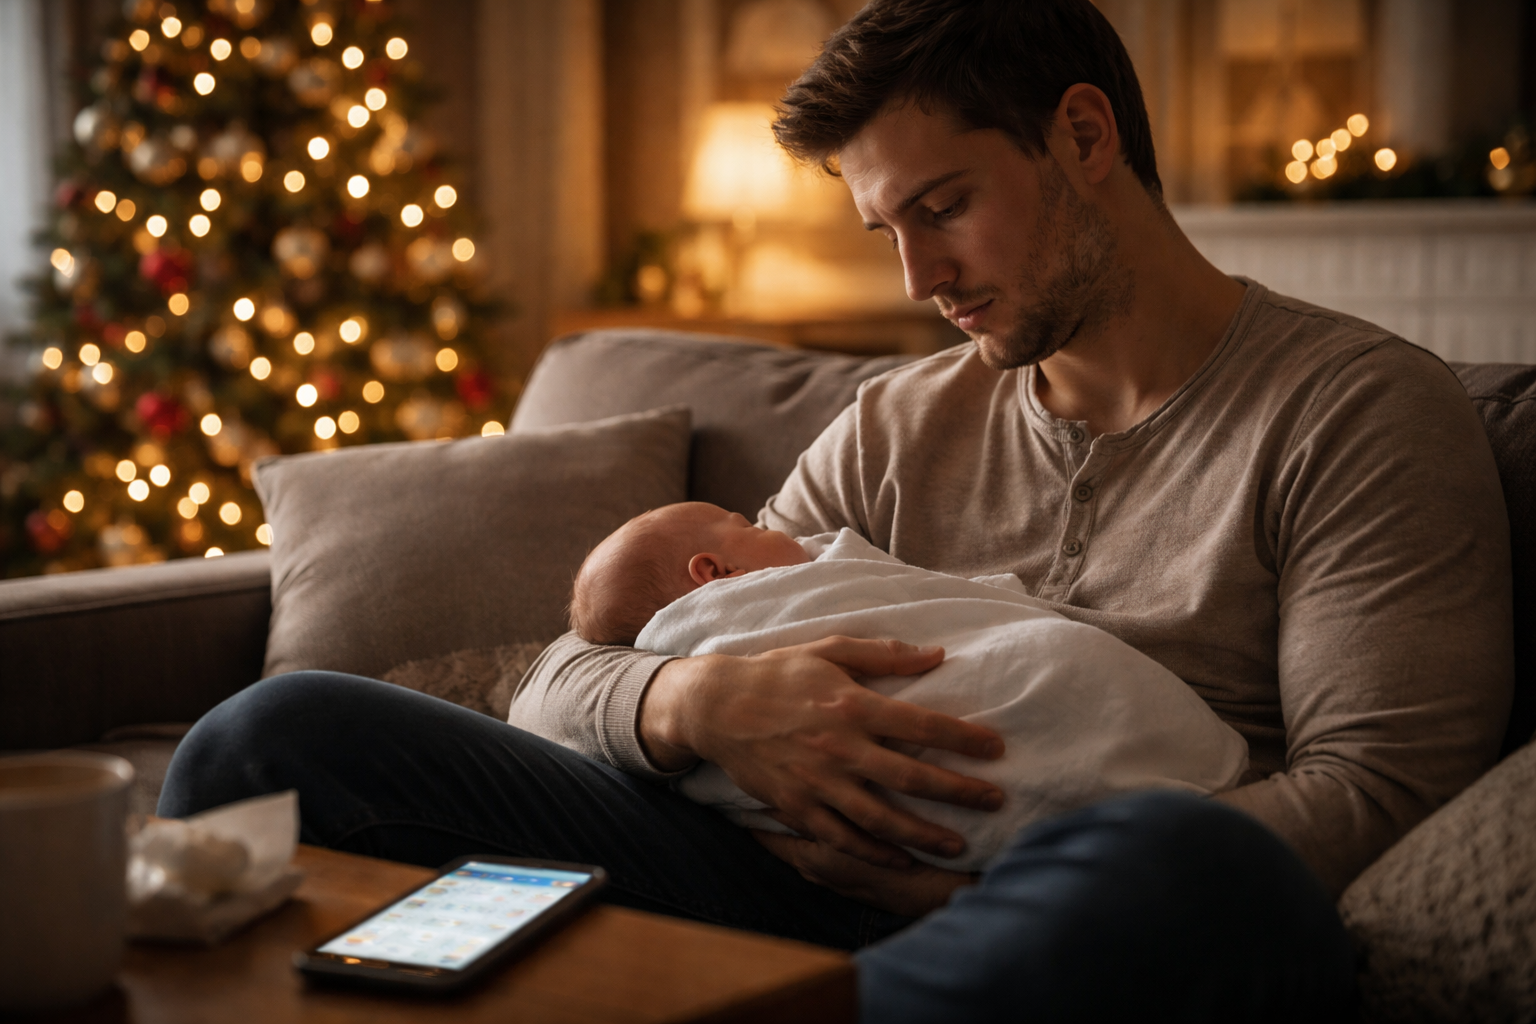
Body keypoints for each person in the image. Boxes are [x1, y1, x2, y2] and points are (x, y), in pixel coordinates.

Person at [162, 2, 1513, 1020]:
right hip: (758, 874)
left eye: (944, 208)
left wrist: (987, 882)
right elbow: (571, 671)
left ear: (1085, 137)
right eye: (889, 232)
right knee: (275, 740)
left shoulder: (1353, 411)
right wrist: (693, 709)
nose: (920, 273)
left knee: (1183, 860)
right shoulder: (899, 420)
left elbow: (1376, 797)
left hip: (1069, 913)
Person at [573, 501, 1249, 871]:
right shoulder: (877, 423)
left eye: (941, 229)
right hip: (793, 867)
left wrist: (947, 902)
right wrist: (694, 700)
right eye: (751, 527)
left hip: (1115, 879)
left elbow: (1354, 779)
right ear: (712, 573)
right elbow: (559, 679)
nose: (780, 529)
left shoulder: (1329, 408)